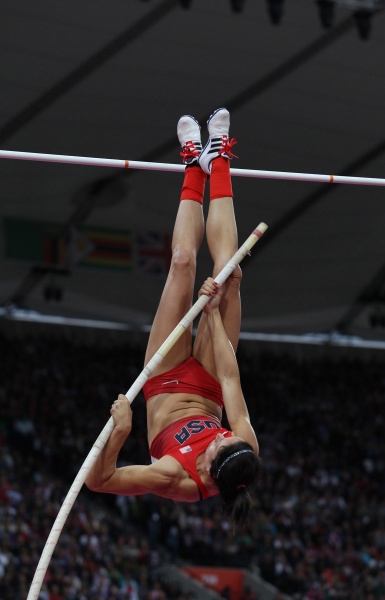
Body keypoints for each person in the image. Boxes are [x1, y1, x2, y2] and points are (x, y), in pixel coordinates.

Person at [86, 108, 262, 527]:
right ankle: (218, 158)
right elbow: (231, 378)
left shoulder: (176, 479)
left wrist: (121, 431)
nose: (222, 435)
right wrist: (212, 315)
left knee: (182, 263)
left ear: (210, 469)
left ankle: (192, 166)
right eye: (228, 436)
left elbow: (99, 480)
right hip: (209, 381)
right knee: (230, 275)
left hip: (163, 379)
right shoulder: (244, 450)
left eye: (219, 442)